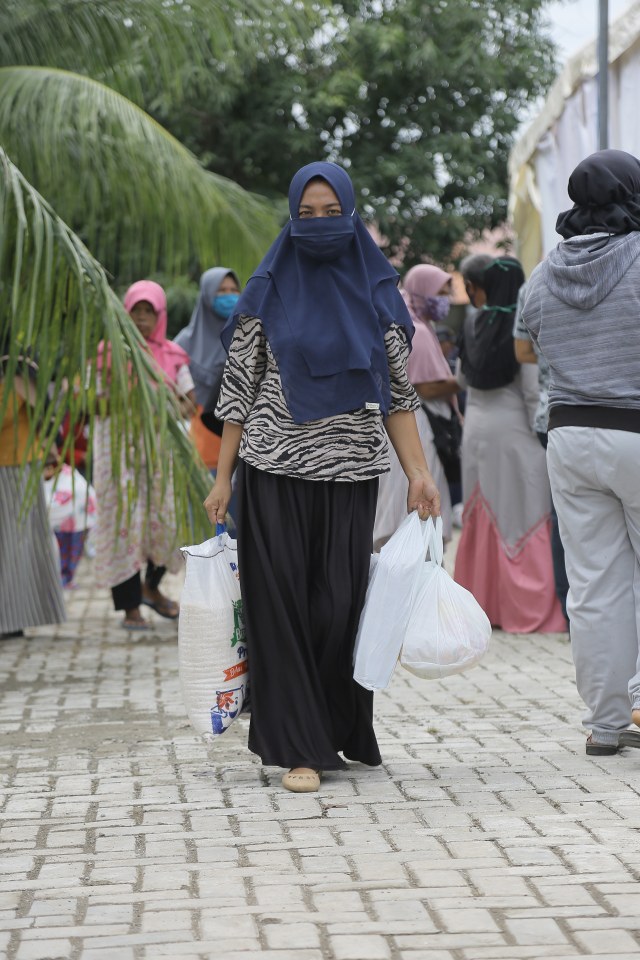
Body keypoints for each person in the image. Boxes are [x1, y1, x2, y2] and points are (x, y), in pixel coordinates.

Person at [204, 161, 440, 793]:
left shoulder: (376, 294)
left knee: (337, 609)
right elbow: (237, 392)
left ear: (352, 213)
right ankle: (300, 749)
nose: (318, 225)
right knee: (283, 611)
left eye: (330, 213)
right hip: (273, 472)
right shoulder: (268, 289)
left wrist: (418, 473)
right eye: (305, 216)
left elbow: (399, 396)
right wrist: (222, 480)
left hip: (352, 475)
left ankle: (338, 728)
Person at [521, 148, 640, 756]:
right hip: (637, 431)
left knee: (593, 585)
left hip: (568, 437)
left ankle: (606, 722)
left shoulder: (543, 274)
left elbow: (530, 345)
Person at [454, 255, 566, 634]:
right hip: (516, 432)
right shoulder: (522, 328)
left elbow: (462, 381)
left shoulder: (472, 323)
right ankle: (527, 609)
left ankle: (482, 607)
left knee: (480, 513)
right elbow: (534, 392)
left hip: (476, 433)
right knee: (524, 515)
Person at [93, 281, 197, 630]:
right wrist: (124, 398)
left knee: (163, 521)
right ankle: (130, 608)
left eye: (148, 312)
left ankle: (151, 588)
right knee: (123, 524)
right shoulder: (108, 353)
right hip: (119, 453)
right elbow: (92, 402)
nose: (140, 319)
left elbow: (190, 403)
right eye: (135, 311)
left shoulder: (172, 354)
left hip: (159, 455)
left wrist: (164, 405)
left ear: (160, 316)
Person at [373, 264, 457, 549]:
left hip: (407, 422)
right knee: (412, 501)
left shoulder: (415, 325)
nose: (445, 299)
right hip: (415, 425)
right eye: (440, 292)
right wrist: (462, 382)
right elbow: (424, 386)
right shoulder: (416, 331)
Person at [513, 286, 569, 624]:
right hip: (620, 413)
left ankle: (569, 610)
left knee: (563, 516)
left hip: (553, 413)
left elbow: (522, 350)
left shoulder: (535, 281)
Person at [0, 353, 65, 638]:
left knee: (16, 547)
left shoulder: (17, 367)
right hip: (15, 466)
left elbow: (43, 413)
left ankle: (12, 619)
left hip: (16, 469)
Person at [174, 268, 242, 474]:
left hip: (243, 450)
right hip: (201, 449)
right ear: (206, 295)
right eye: (221, 290)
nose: (229, 295)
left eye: (233, 290)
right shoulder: (184, 343)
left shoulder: (248, 337)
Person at [43, 448, 97, 588]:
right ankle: (58, 577)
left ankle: (67, 576)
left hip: (75, 523)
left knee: (71, 551)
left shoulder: (68, 474)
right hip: (53, 526)